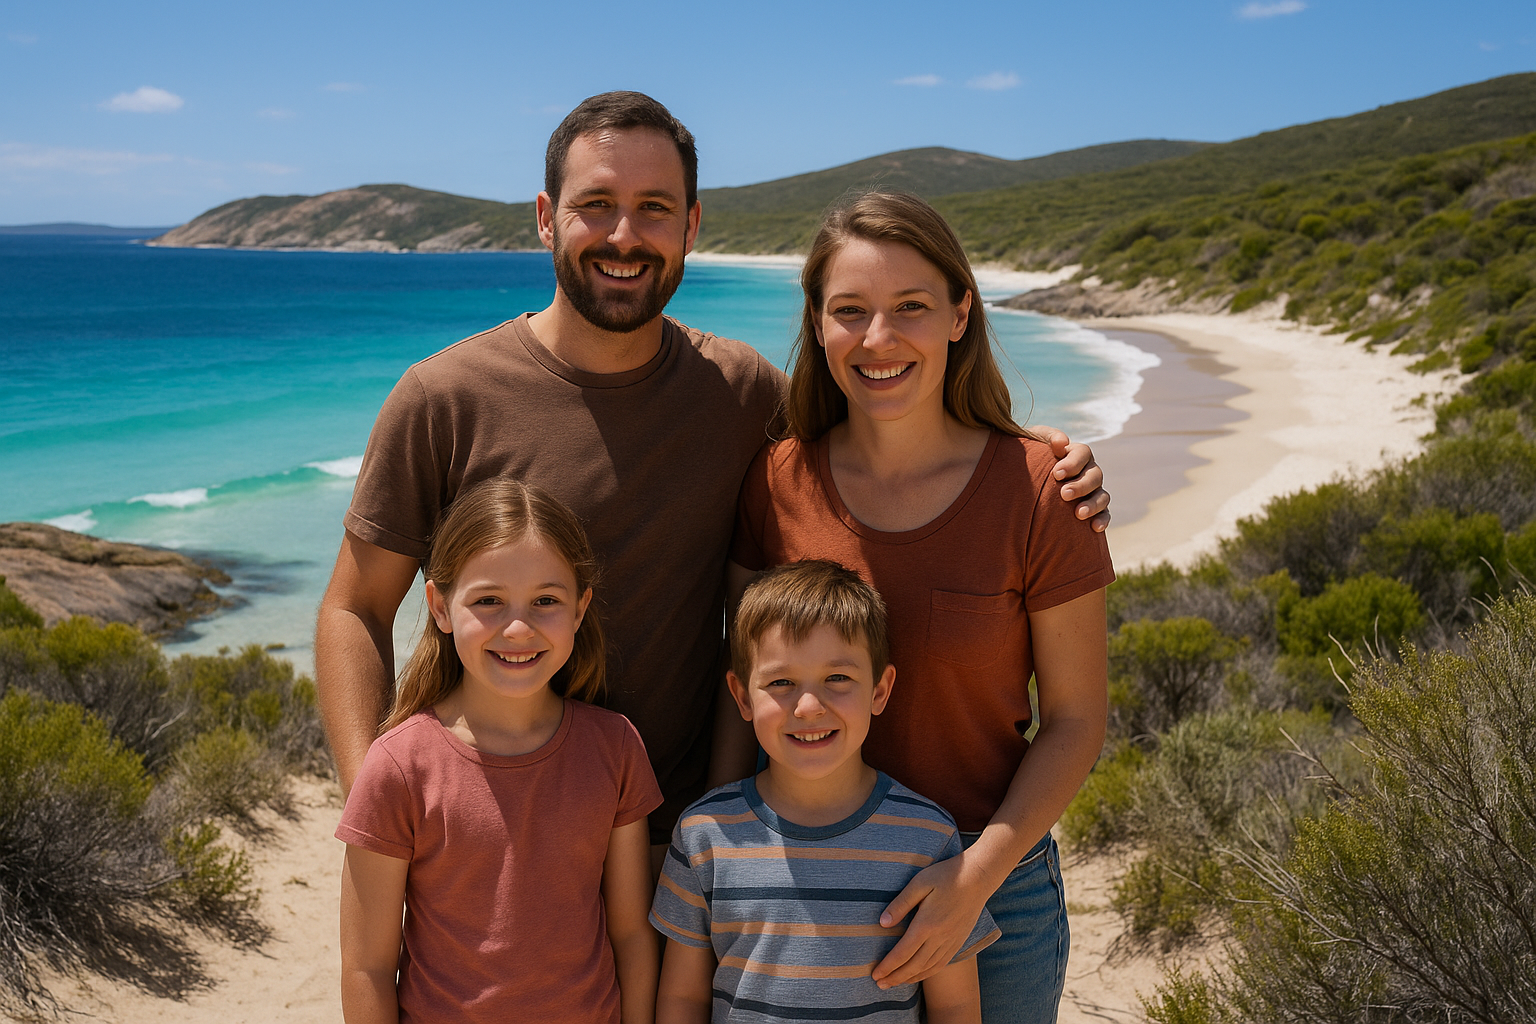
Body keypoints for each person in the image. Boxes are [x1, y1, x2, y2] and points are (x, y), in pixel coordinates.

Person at [315, 90, 1113, 854]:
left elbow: (887, 424)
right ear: (544, 216)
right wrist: (375, 817)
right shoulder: (443, 398)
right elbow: (355, 608)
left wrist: (1028, 453)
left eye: (655, 208)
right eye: (596, 204)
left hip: (685, 849)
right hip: (487, 840)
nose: (624, 235)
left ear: (691, 225)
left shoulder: (742, 393)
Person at [730, 191, 1116, 1023]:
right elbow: (737, 689)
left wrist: (971, 883)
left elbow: (1078, 719)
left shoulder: (1042, 492)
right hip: (803, 877)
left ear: (959, 313)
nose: (879, 339)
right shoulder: (775, 483)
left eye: (911, 306)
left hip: (994, 885)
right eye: (850, 311)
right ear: (818, 324)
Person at [335, 479, 661, 1024]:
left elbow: (630, 934)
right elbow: (366, 966)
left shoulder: (616, 746)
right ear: (439, 606)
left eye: (546, 601)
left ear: (580, 609)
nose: (517, 627)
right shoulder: (398, 767)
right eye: (488, 600)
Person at [652, 560, 998, 1024]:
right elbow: (683, 1000)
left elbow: (954, 1006)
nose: (809, 706)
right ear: (741, 696)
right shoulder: (704, 836)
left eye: (838, 678)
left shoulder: (928, 838)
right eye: (780, 682)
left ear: (880, 689)